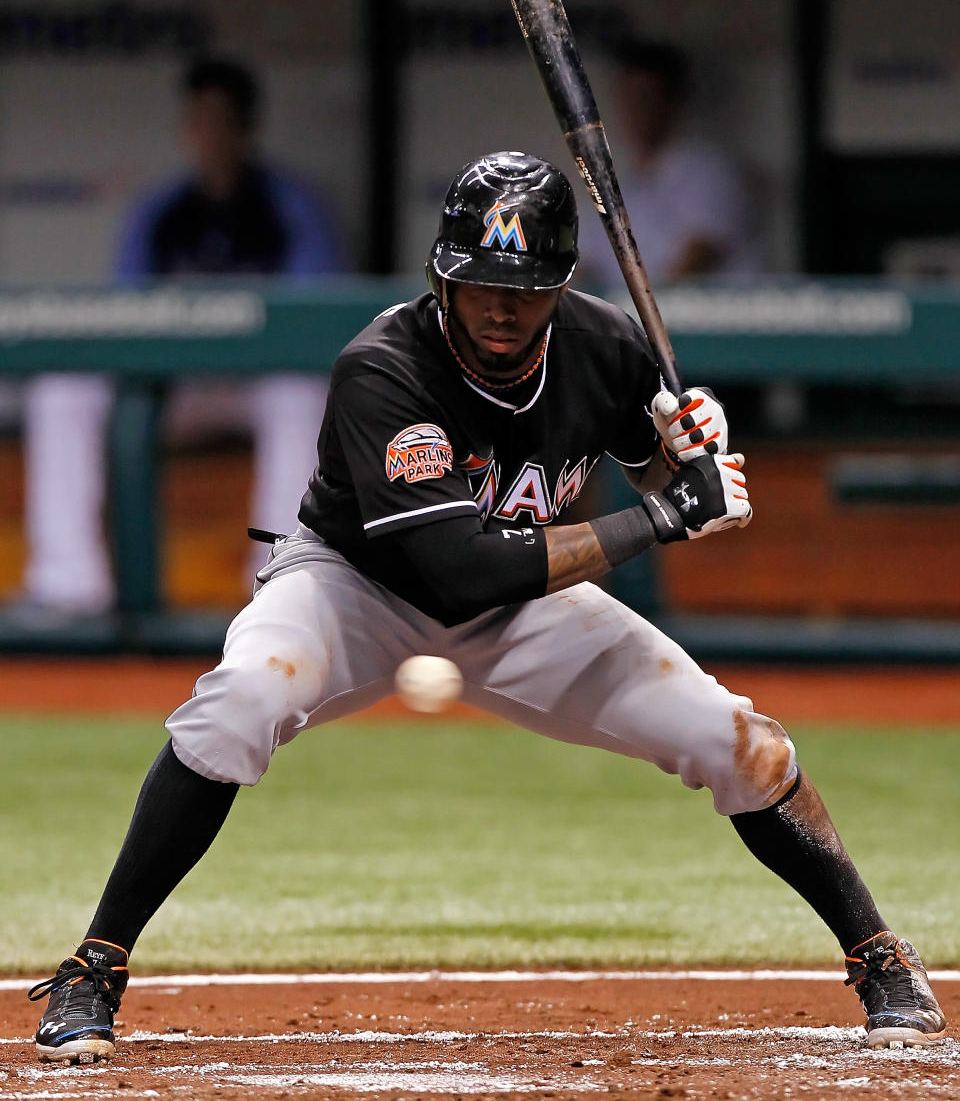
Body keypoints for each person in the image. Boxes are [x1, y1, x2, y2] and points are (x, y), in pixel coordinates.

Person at [28, 152, 945, 1063]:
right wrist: (664, 514)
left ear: (561, 284)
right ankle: (92, 967)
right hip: (355, 587)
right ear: (442, 276)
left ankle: (880, 954)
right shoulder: (381, 370)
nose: (502, 308)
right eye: (480, 285)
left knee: (738, 738)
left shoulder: (605, 345)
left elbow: (652, 462)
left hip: (529, 605)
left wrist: (690, 445)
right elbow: (460, 569)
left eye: (528, 287)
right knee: (237, 703)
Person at [18, 56, 341, 616]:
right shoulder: (162, 209)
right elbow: (125, 316)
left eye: (222, 119)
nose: (209, 133)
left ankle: (279, 586)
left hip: (252, 383)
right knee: (62, 389)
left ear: (246, 127)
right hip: (179, 385)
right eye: (199, 119)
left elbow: (311, 322)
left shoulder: (290, 206)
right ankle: (65, 584)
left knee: (298, 391)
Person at [577, 39, 762, 289]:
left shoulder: (710, 172)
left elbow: (695, 262)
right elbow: (585, 264)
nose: (634, 112)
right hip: (635, 323)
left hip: (703, 323)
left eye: (644, 98)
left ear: (673, 102)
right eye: (626, 99)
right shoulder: (620, 186)